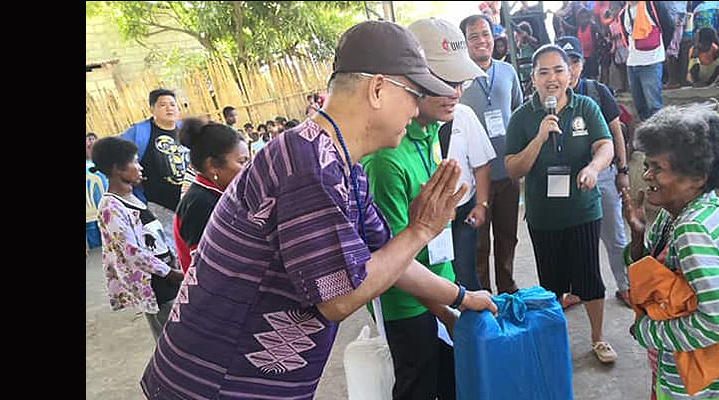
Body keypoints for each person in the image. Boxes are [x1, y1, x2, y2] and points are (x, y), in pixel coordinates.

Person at [139, 20, 497, 400]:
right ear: (378, 89)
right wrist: (420, 231)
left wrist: (462, 299)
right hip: (220, 384)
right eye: (414, 94)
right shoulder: (309, 166)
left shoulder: (340, 163)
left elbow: (388, 257)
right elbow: (338, 299)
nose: (417, 108)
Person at [358, 18, 492, 399]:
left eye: (460, 81)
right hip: (409, 307)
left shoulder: (432, 129)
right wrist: (449, 309)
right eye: (443, 81)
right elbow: (395, 263)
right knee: (418, 386)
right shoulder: (385, 160)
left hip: (441, 285)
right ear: (409, 79)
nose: (455, 92)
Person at [621, 104, 719, 400]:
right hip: (691, 376)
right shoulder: (680, 214)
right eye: (646, 164)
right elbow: (653, 277)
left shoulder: (694, 231)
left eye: (658, 168)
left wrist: (648, 333)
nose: (646, 176)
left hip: (703, 387)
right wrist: (638, 235)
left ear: (698, 176)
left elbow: (717, 320)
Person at [504, 44, 617, 363]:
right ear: (533, 78)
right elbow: (513, 168)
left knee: (590, 277)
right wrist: (539, 138)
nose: (551, 78)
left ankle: (598, 338)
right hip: (544, 216)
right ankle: (556, 343)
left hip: (583, 210)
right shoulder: (522, 117)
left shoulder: (587, 107)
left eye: (558, 70)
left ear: (570, 74)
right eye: (543, 72)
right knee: (550, 283)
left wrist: (594, 168)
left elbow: (605, 145)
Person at [557, 36, 633, 308]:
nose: (570, 68)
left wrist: (622, 170)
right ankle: (578, 290)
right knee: (573, 236)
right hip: (567, 177)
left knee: (614, 235)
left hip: (603, 174)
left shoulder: (597, 91)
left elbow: (616, 133)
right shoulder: (550, 98)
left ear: (582, 62)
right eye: (564, 62)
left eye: (574, 61)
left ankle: (626, 286)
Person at [90, 136, 185, 340]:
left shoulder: (133, 198)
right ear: (117, 169)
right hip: (155, 283)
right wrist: (170, 273)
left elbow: (155, 237)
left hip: (166, 275)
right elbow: (132, 252)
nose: (139, 167)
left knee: (182, 332)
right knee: (172, 339)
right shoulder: (111, 207)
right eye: (134, 161)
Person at [459, 14, 524, 295]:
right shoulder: (458, 79)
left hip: (507, 172)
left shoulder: (508, 72)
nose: (481, 41)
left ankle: (507, 287)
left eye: (485, 34)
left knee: (508, 236)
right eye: (473, 36)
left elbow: (518, 113)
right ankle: (482, 294)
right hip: (475, 180)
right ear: (464, 43)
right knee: (479, 242)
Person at [173, 119, 250, 274]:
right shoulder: (200, 204)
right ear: (213, 165)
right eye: (242, 162)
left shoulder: (217, 194)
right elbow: (209, 270)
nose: (249, 167)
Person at [119, 88, 189, 252]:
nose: (169, 108)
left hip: (189, 201)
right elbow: (117, 155)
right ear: (152, 109)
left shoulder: (186, 131)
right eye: (162, 105)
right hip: (157, 204)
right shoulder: (139, 132)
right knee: (171, 250)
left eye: (172, 104)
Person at [618, 1, 674, 121]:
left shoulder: (652, 5)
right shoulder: (623, 13)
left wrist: (661, 49)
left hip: (651, 61)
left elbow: (669, 26)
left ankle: (657, 136)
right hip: (632, 62)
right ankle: (647, 135)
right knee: (640, 105)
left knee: (654, 105)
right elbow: (626, 37)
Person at [662, 1, 688, 89]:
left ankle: (672, 81)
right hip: (677, 13)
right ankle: (671, 80)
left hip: (673, 14)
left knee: (671, 49)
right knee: (672, 48)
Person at [575, 7, 605, 81]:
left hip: (592, 56)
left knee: (593, 75)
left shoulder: (593, 27)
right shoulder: (577, 29)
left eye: (586, 17)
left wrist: (596, 53)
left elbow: (600, 38)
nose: (584, 20)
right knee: (584, 75)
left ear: (589, 18)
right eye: (582, 18)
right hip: (582, 57)